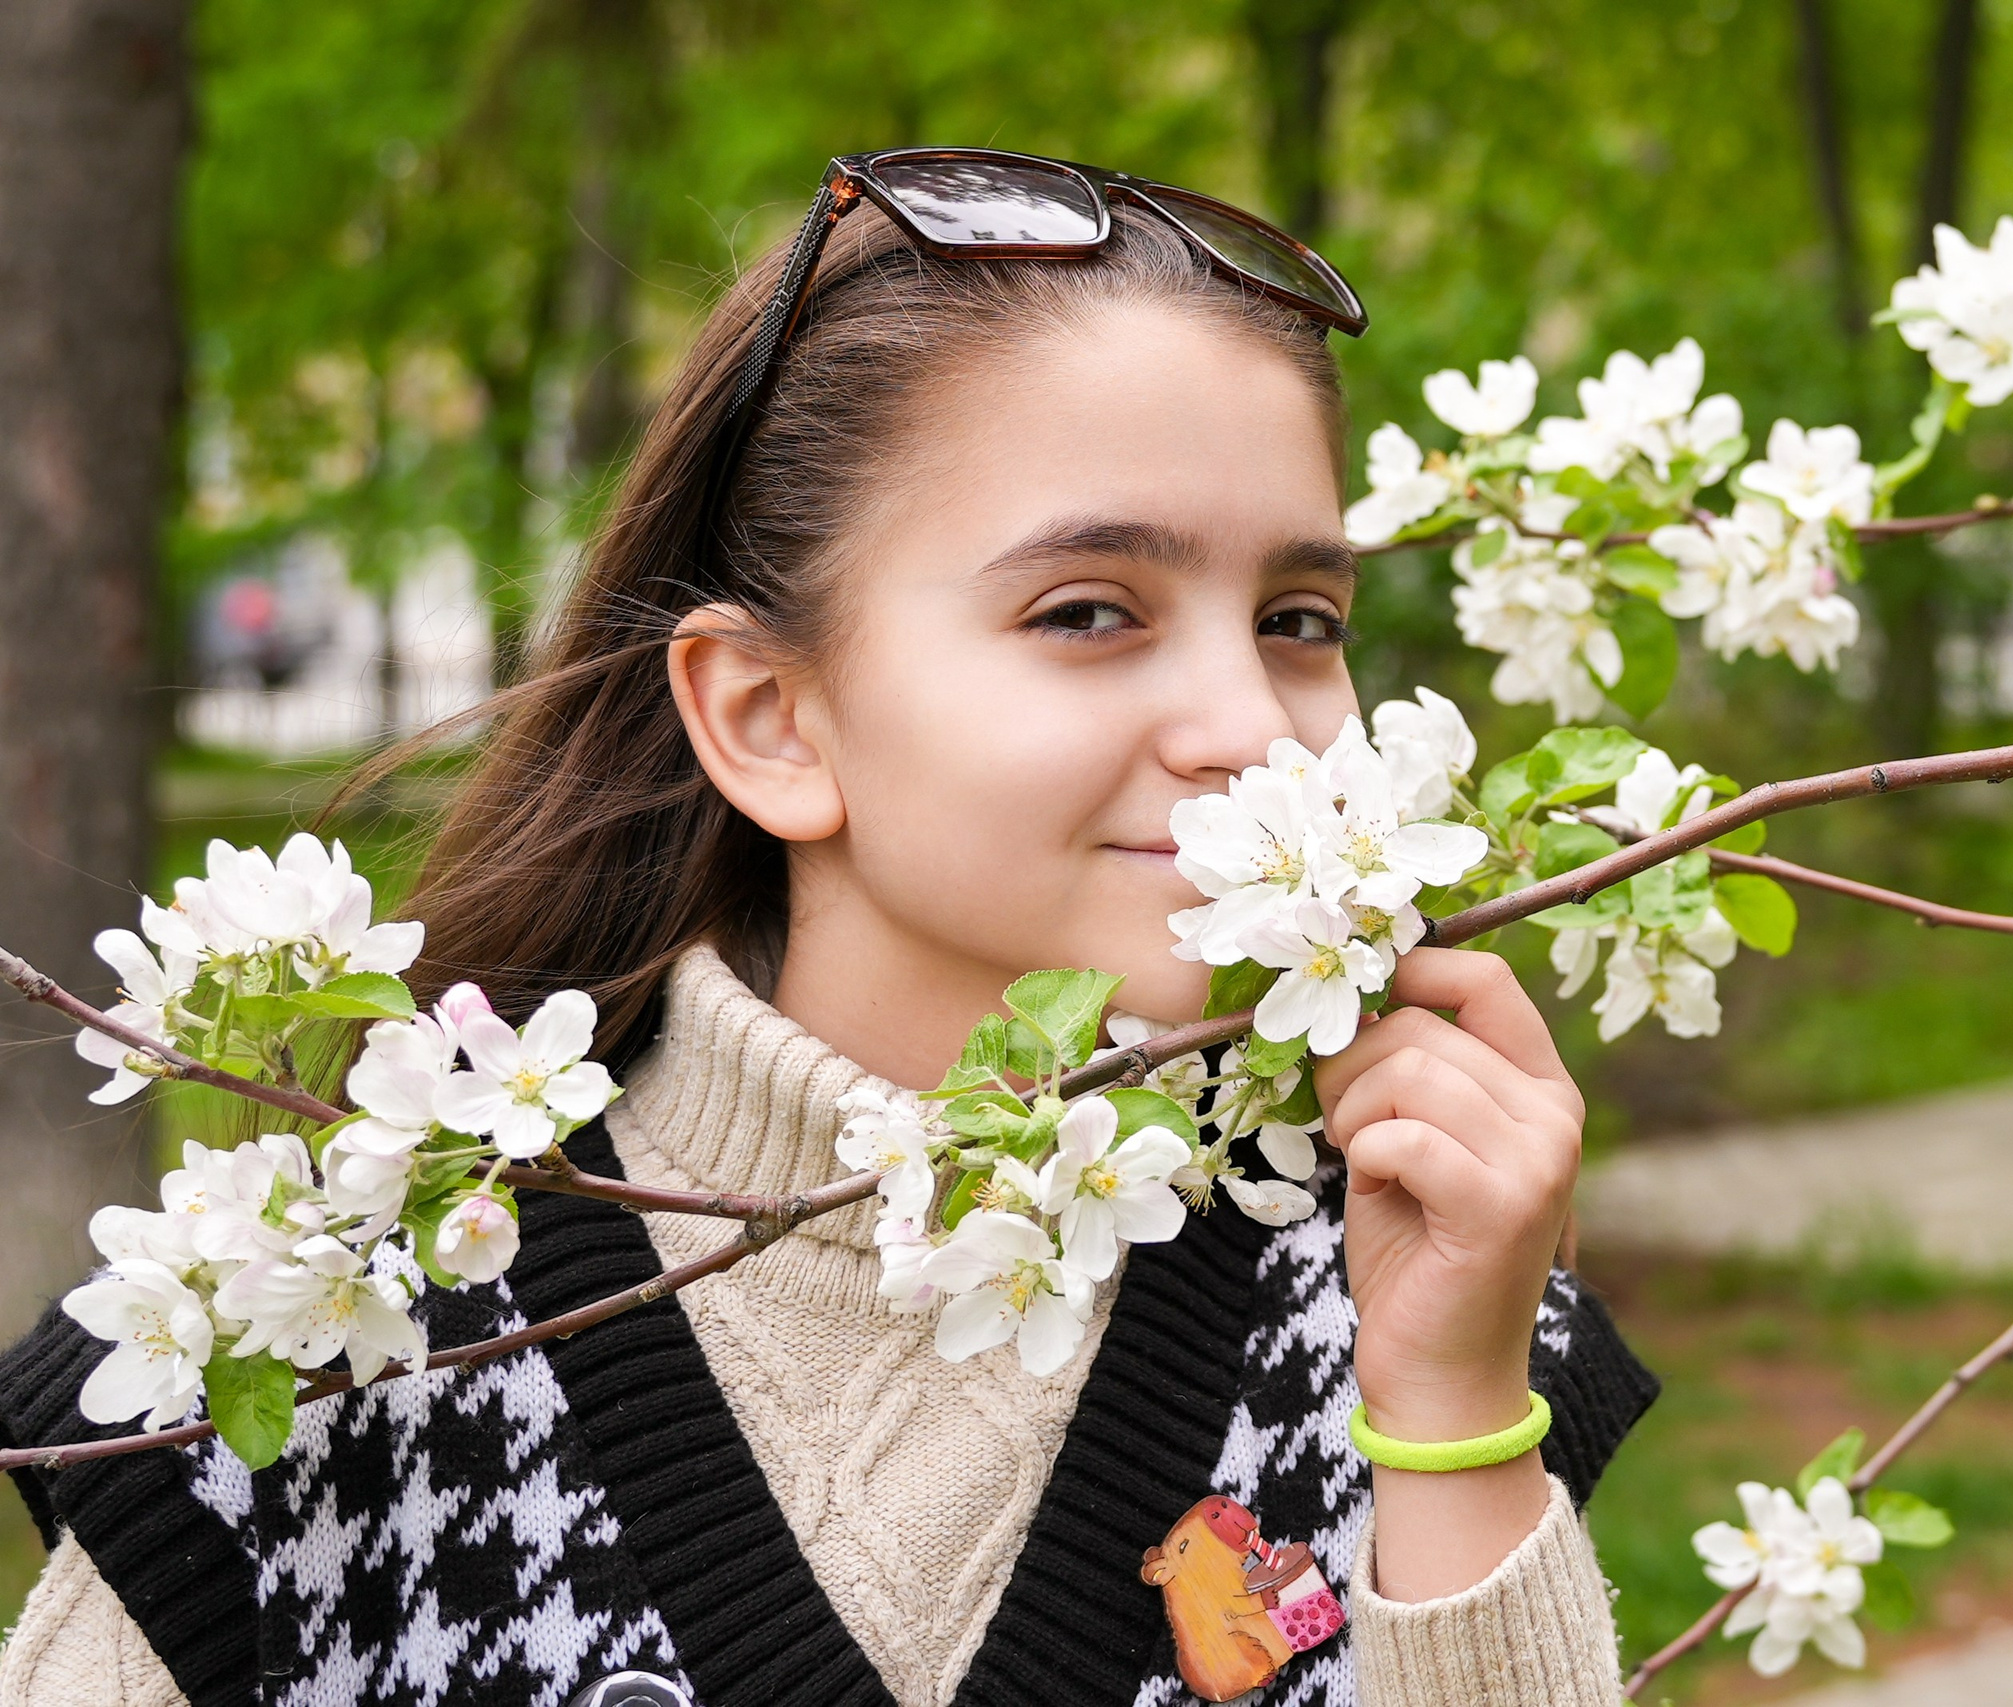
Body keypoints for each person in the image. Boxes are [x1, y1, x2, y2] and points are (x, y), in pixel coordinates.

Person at [0, 151, 1656, 1707]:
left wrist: (1450, 1416)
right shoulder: (321, 1341)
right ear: (772, 718)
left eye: (1299, 620)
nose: (1252, 719)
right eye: (1089, 611)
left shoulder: (1402, 1309)